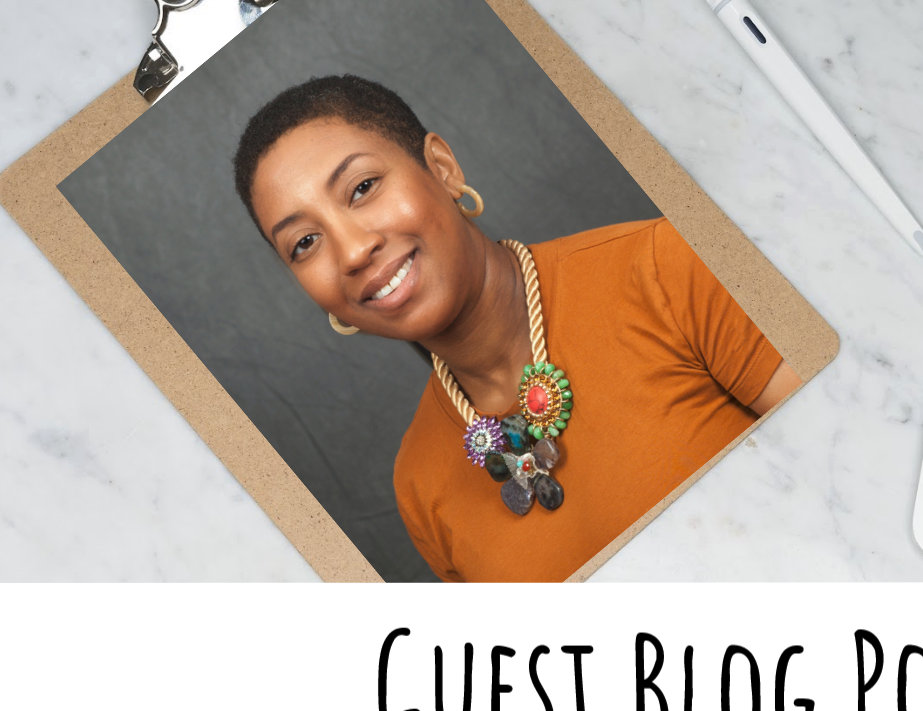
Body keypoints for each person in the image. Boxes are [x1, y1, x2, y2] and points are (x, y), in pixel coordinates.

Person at [233, 75, 799, 581]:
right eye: (304, 243)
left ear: (443, 170)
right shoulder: (419, 484)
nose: (354, 250)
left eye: (362, 188)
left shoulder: (672, 268)